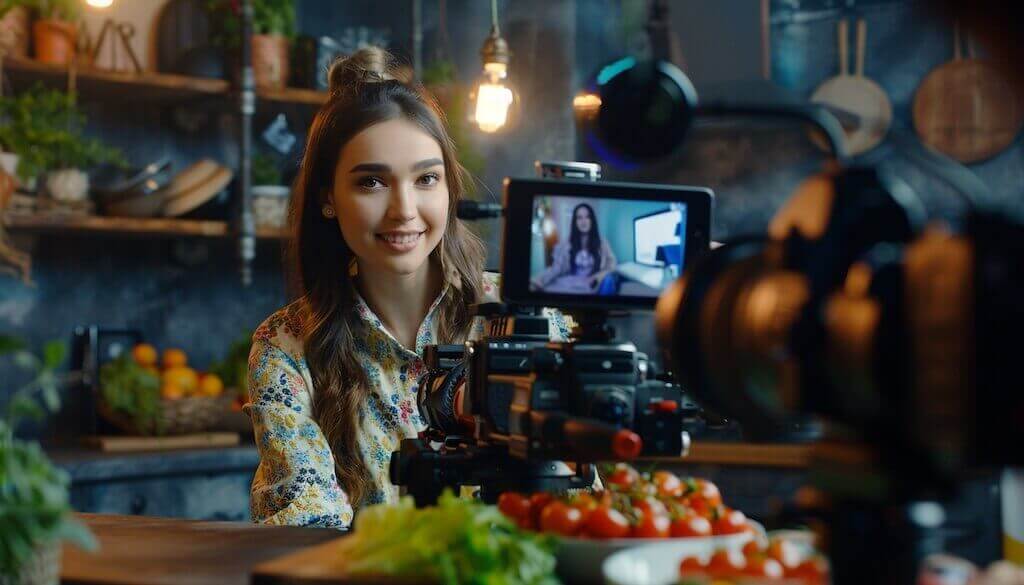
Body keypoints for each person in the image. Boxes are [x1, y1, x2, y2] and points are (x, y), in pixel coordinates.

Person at [245, 47, 570, 529]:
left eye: (426, 179)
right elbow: (307, 532)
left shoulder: (525, 318)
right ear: (327, 199)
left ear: (448, 188)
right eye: (372, 182)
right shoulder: (285, 349)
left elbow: (580, 506)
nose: (404, 209)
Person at [531, 203, 618, 294]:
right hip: (571, 282)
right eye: (579, 218)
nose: (583, 221)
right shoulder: (567, 244)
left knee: (608, 281)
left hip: (592, 283)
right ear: (575, 222)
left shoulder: (602, 242)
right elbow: (556, 268)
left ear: (592, 220)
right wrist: (539, 280)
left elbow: (612, 264)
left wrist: (598, 276)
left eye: (587, 217)